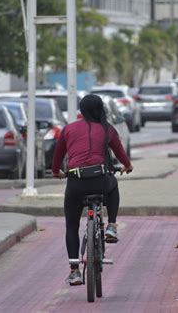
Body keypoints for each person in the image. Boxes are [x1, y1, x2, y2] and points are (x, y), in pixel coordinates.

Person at [51, 94, 133, 286]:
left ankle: (74, 271)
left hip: (75, 182)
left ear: (82, 110)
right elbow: (121, 154)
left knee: (71, 226)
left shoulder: (68, 129)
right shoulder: (107, 129)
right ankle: (111, 226)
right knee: (113, 185)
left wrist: (57, 172)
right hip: (100, 180)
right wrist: (127, 166)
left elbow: (57, 157)